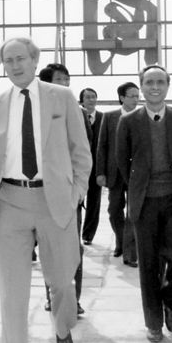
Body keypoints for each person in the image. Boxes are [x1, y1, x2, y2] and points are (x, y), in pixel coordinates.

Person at [0, 37, 91, 343]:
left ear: (35, 60)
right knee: (11, 289)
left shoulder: (61, 97)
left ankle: (63, 329)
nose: (15, 65)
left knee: (62, 281)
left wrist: (75, 194)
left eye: (20, 58)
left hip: (55, 202)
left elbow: (81, 153)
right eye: (8, 60)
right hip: (11, 201)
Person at [115, 65, 172, 343]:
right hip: (145, 202)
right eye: (149, 82)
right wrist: (139, 186)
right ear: (141, 87)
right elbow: (122, 161)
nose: (155, 87)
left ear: (168, 86)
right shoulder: (129, 121)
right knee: (148, 265)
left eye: (160, 82)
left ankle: (171, 303)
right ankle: (154, 323)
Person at [39, 64, 89, 317]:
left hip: (67, 192)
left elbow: (83, 151)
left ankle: (73, 299)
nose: (65, 84)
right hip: (37, 192)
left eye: (67, 80)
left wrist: (79, 189)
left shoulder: (76, 111)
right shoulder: (32, 110)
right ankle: (53, 294)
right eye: (60, 80)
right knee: (47, 247)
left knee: (72, 248)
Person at [95, 82, 140, 266]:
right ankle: (121, 241)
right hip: (114, 172)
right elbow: (102, 146)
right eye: (132, 96)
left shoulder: (143, 117)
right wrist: (100, 172)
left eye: (137, 96)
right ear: (122, 97)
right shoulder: (110, 117)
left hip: (136, 173)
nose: (136, 99)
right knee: (114, 210)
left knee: (133, 213)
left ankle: (130, 253)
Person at [79, 87, 103, 245]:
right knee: (77, 200)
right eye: (87, 97)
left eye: (93, 96)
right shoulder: (75, 116)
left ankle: (88, 235)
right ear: (82, 100)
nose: (91, 100)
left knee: (94, 202)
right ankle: (75, 231)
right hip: (79, 166)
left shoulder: (103, 118)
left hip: (96, 167)